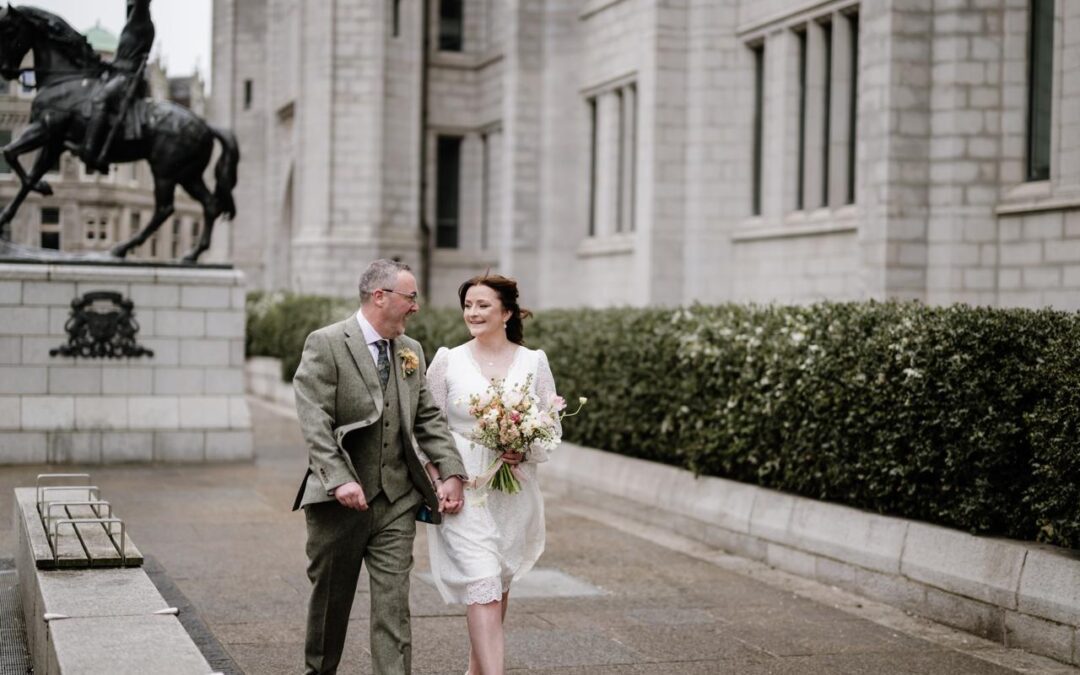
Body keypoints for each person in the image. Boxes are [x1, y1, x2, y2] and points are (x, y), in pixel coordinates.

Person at [292, 259, 468, 675]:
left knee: (394, 605)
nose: (416, 307)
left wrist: (451, 471)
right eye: (411, 297)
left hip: (397, 500)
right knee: (331, 602)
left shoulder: (411, 351)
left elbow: (427, 418)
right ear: (380, 297)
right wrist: (338, 479)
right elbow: (313, 419)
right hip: (340, 504)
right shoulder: (327, 342)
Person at [419, 273, 561, 675]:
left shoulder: (534, 362)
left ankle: (476, 670)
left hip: (513, 490)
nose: (473, 313)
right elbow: (426, 427)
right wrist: (439, 475)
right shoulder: (448, 359)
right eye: (468, 305)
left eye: (483, 305)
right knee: (481, 579)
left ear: (507, 312)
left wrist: (525, 446)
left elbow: (551, 427)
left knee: (497, 581)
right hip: (462, 487)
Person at [81, 0, 155, 173]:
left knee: (100, 98)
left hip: (126, 79)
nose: (128, 7)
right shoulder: (130, 26)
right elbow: (121, 59)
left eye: (131, 4)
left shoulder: (140, 21)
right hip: (118, 74)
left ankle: (90, 149)